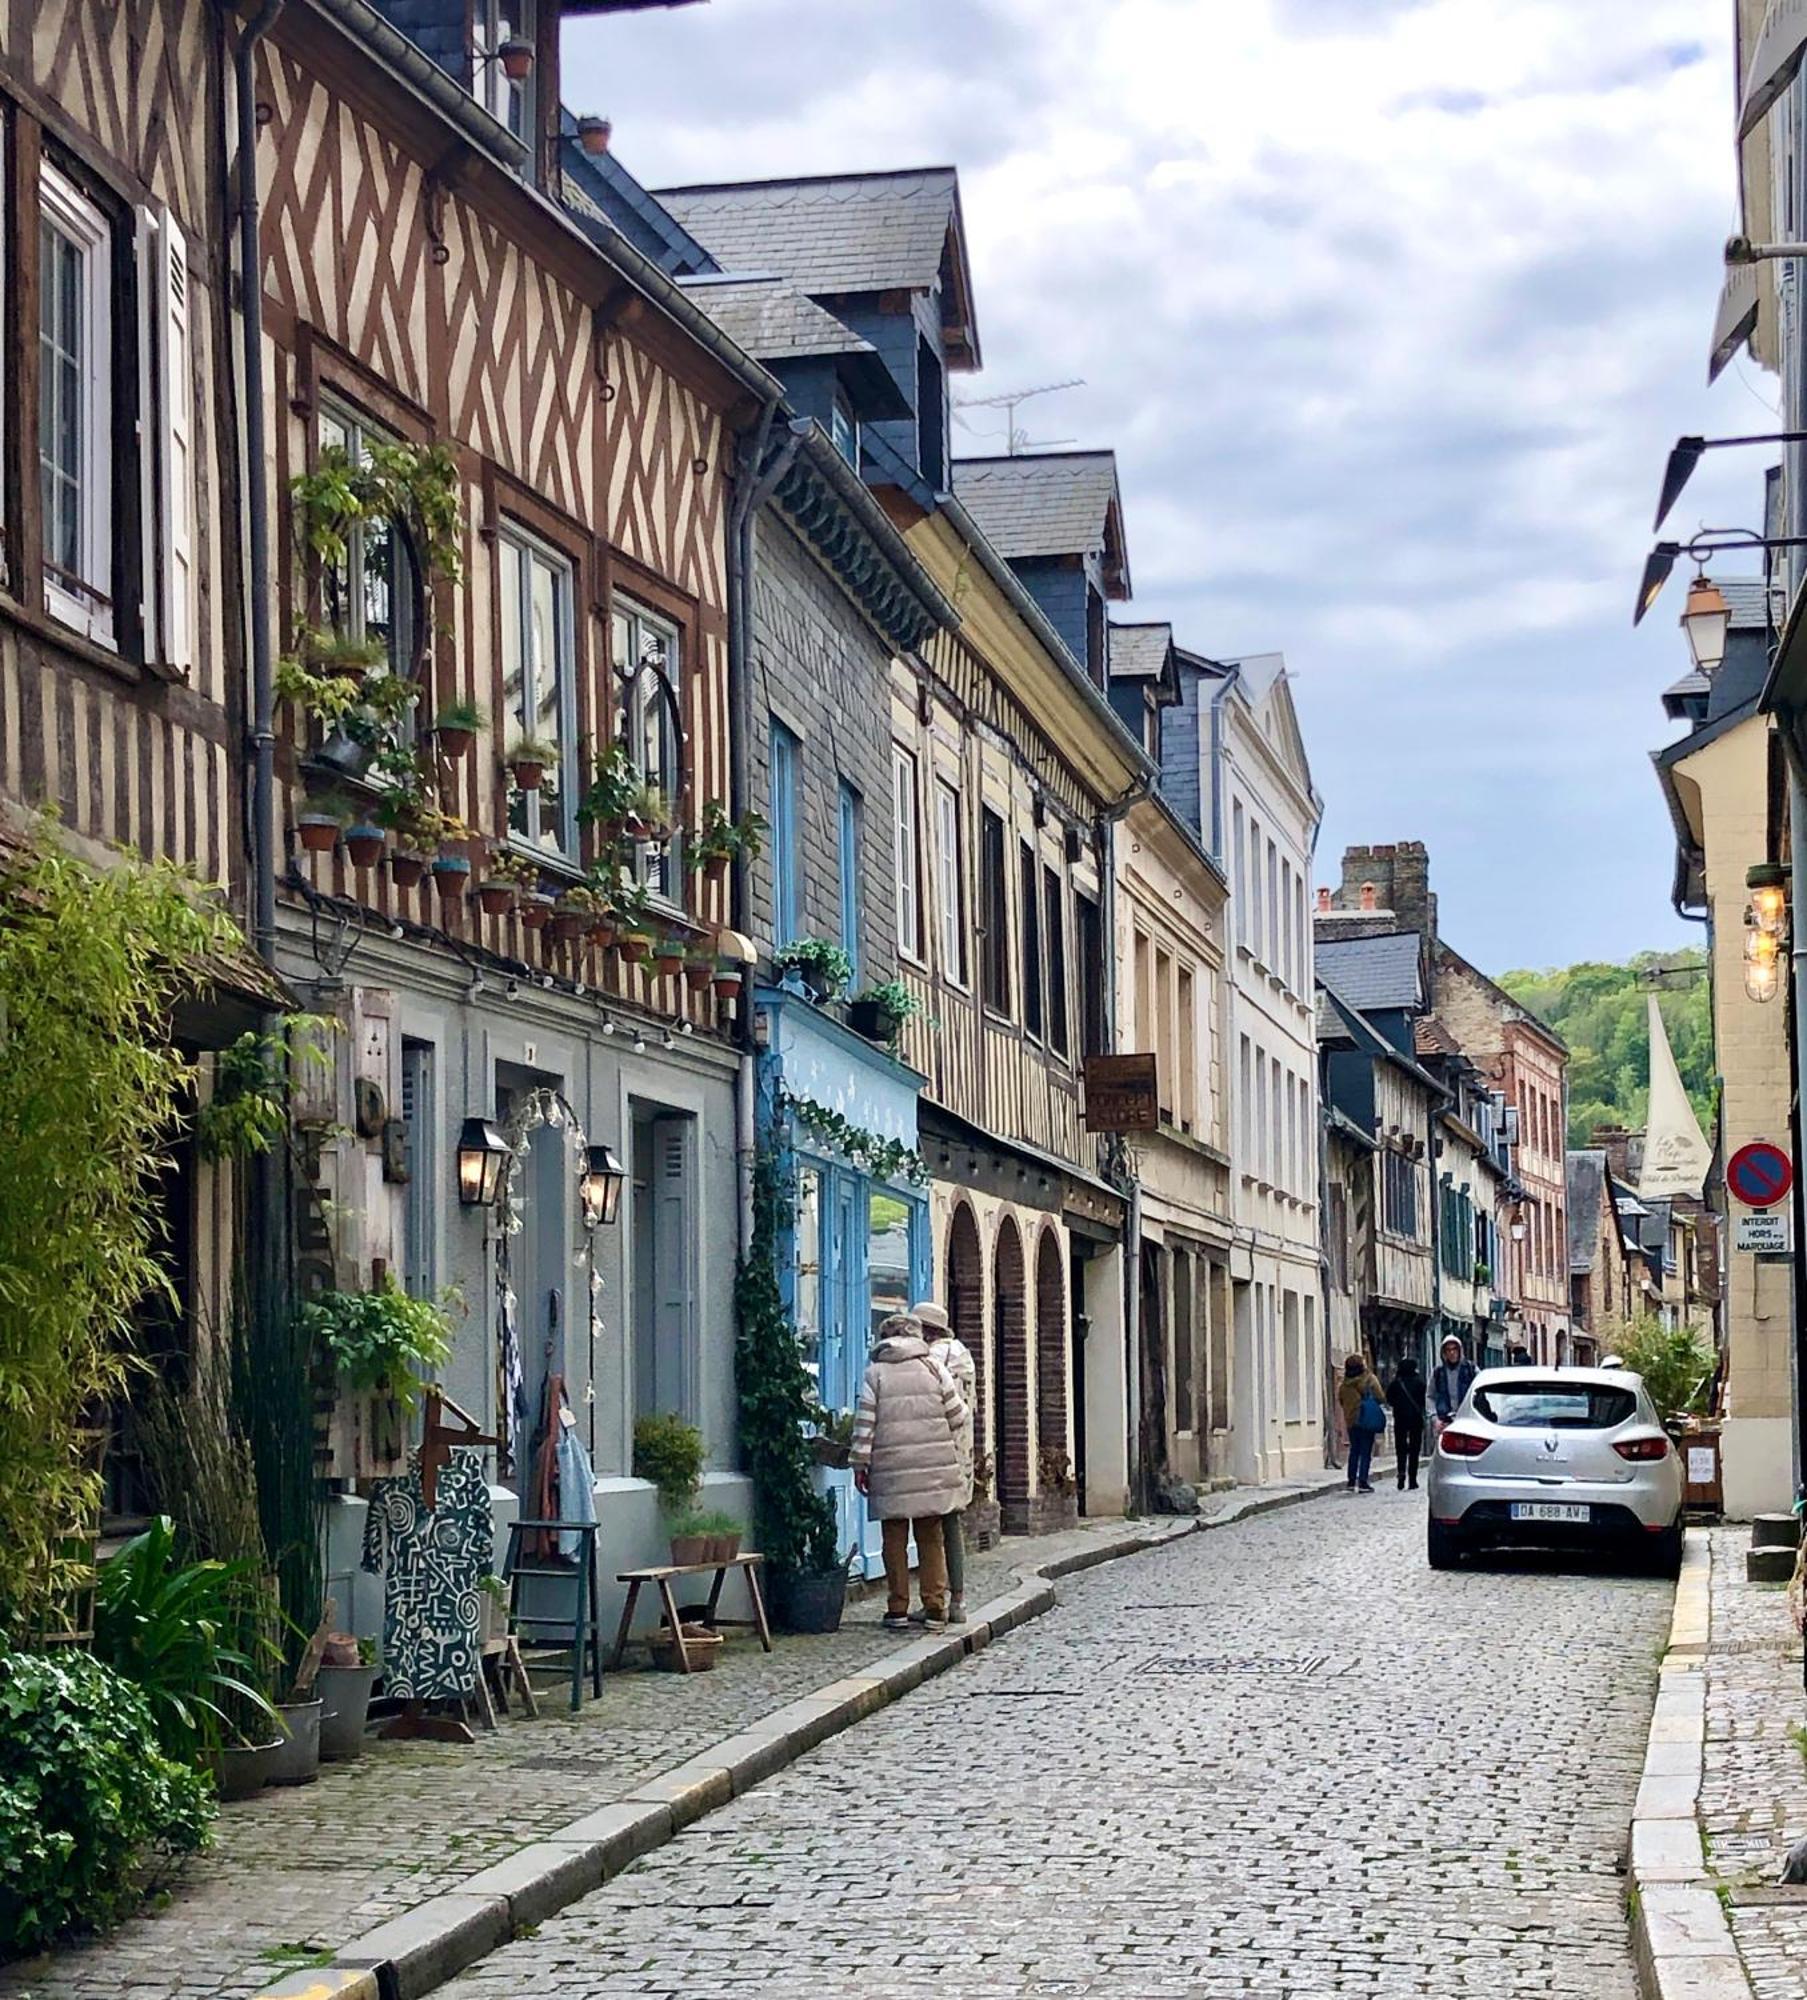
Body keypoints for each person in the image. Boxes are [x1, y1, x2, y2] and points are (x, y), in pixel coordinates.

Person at [850, 1312, 967, 1633]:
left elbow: (865, 1424)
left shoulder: (876, 1372)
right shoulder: (934, 1367)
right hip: (933, 1466)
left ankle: (897, 1607)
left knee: (894, 1538)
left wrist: (860, 1465)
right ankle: (934, 1608)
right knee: (931, 1537)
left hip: (891, 1468)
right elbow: (958, 1414)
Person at [914, 1299, 976, 1627]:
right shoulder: (961, 1352)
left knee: (933, 1528)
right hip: (961, 1453)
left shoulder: (934, 1358)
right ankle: (958, 1600)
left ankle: (938, 1598)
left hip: (937, 1450)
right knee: (951, 1525)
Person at [1337, 1353, 1386, 1493]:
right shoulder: (1369, 1379)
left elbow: (1341, 1400)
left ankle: (1351, 1481)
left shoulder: (1344, 1384)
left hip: (1351, 1420)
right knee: (1365, 1451)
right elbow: (1380, 1396)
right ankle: (1363, 1481)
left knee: (1354, 1450)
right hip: (1366, 1418)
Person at [1387, 1353, 1428, 1491]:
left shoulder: (1396, 1383)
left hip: (1400, 1419)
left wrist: (1399, 1407)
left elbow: (1389, 1399)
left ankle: (1401, 1474)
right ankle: (1412, 1479)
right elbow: (1425, 1401)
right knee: (1414, 1450)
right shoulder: (1420, 1382)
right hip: (1416, 1420)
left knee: (1401, 1449)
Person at [1432, 1334, 1477, 1432]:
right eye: (1448, 1350)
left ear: (1459, 1350)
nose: (1452, 1353)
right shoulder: (1438, 1372)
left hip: (1467, 1419)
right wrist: (1435, 1418)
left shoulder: (1471, 1369)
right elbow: (1430, 1396)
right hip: (1445, 1421)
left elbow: (1480, 1392)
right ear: (1444, 1353)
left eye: (1454, 1349)